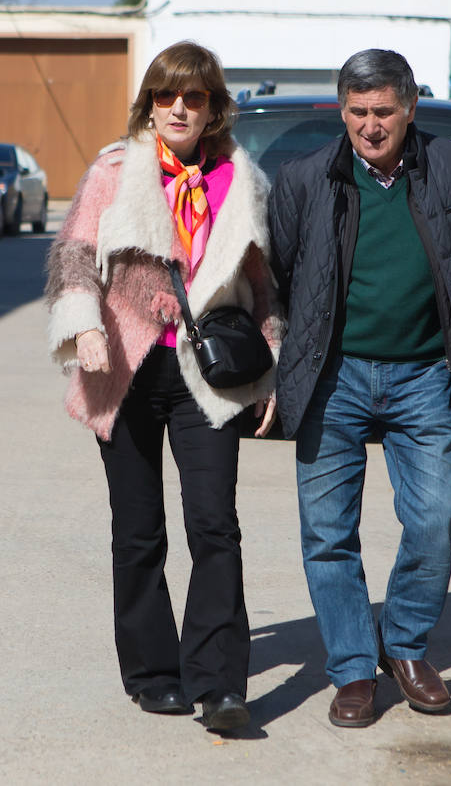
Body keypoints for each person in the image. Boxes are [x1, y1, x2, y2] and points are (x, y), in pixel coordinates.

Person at [45, 41, 283, 731]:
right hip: (123, 363)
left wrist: (267, 366)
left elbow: (262, 285)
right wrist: (84, 326)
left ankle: (219, 685)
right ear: (149, 104)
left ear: (213, 108)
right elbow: (72, 257)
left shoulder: (242, 179)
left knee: (214, 525)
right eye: (165, 96)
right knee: (139, 529)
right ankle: (152, 673)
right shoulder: (115, 170)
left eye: (194, 97)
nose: (178, 108)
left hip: (205, 376)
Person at [268, 48, 451, 728]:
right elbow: (279, 271)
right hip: (333, 377)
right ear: (342, 111)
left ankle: (406, 646)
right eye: (357, 112)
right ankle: (354, 670)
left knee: (434, 515)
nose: (369, 124)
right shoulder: (305, 179)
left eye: (383, 111)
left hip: (422, 375)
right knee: (328, 534)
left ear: (409, 108)